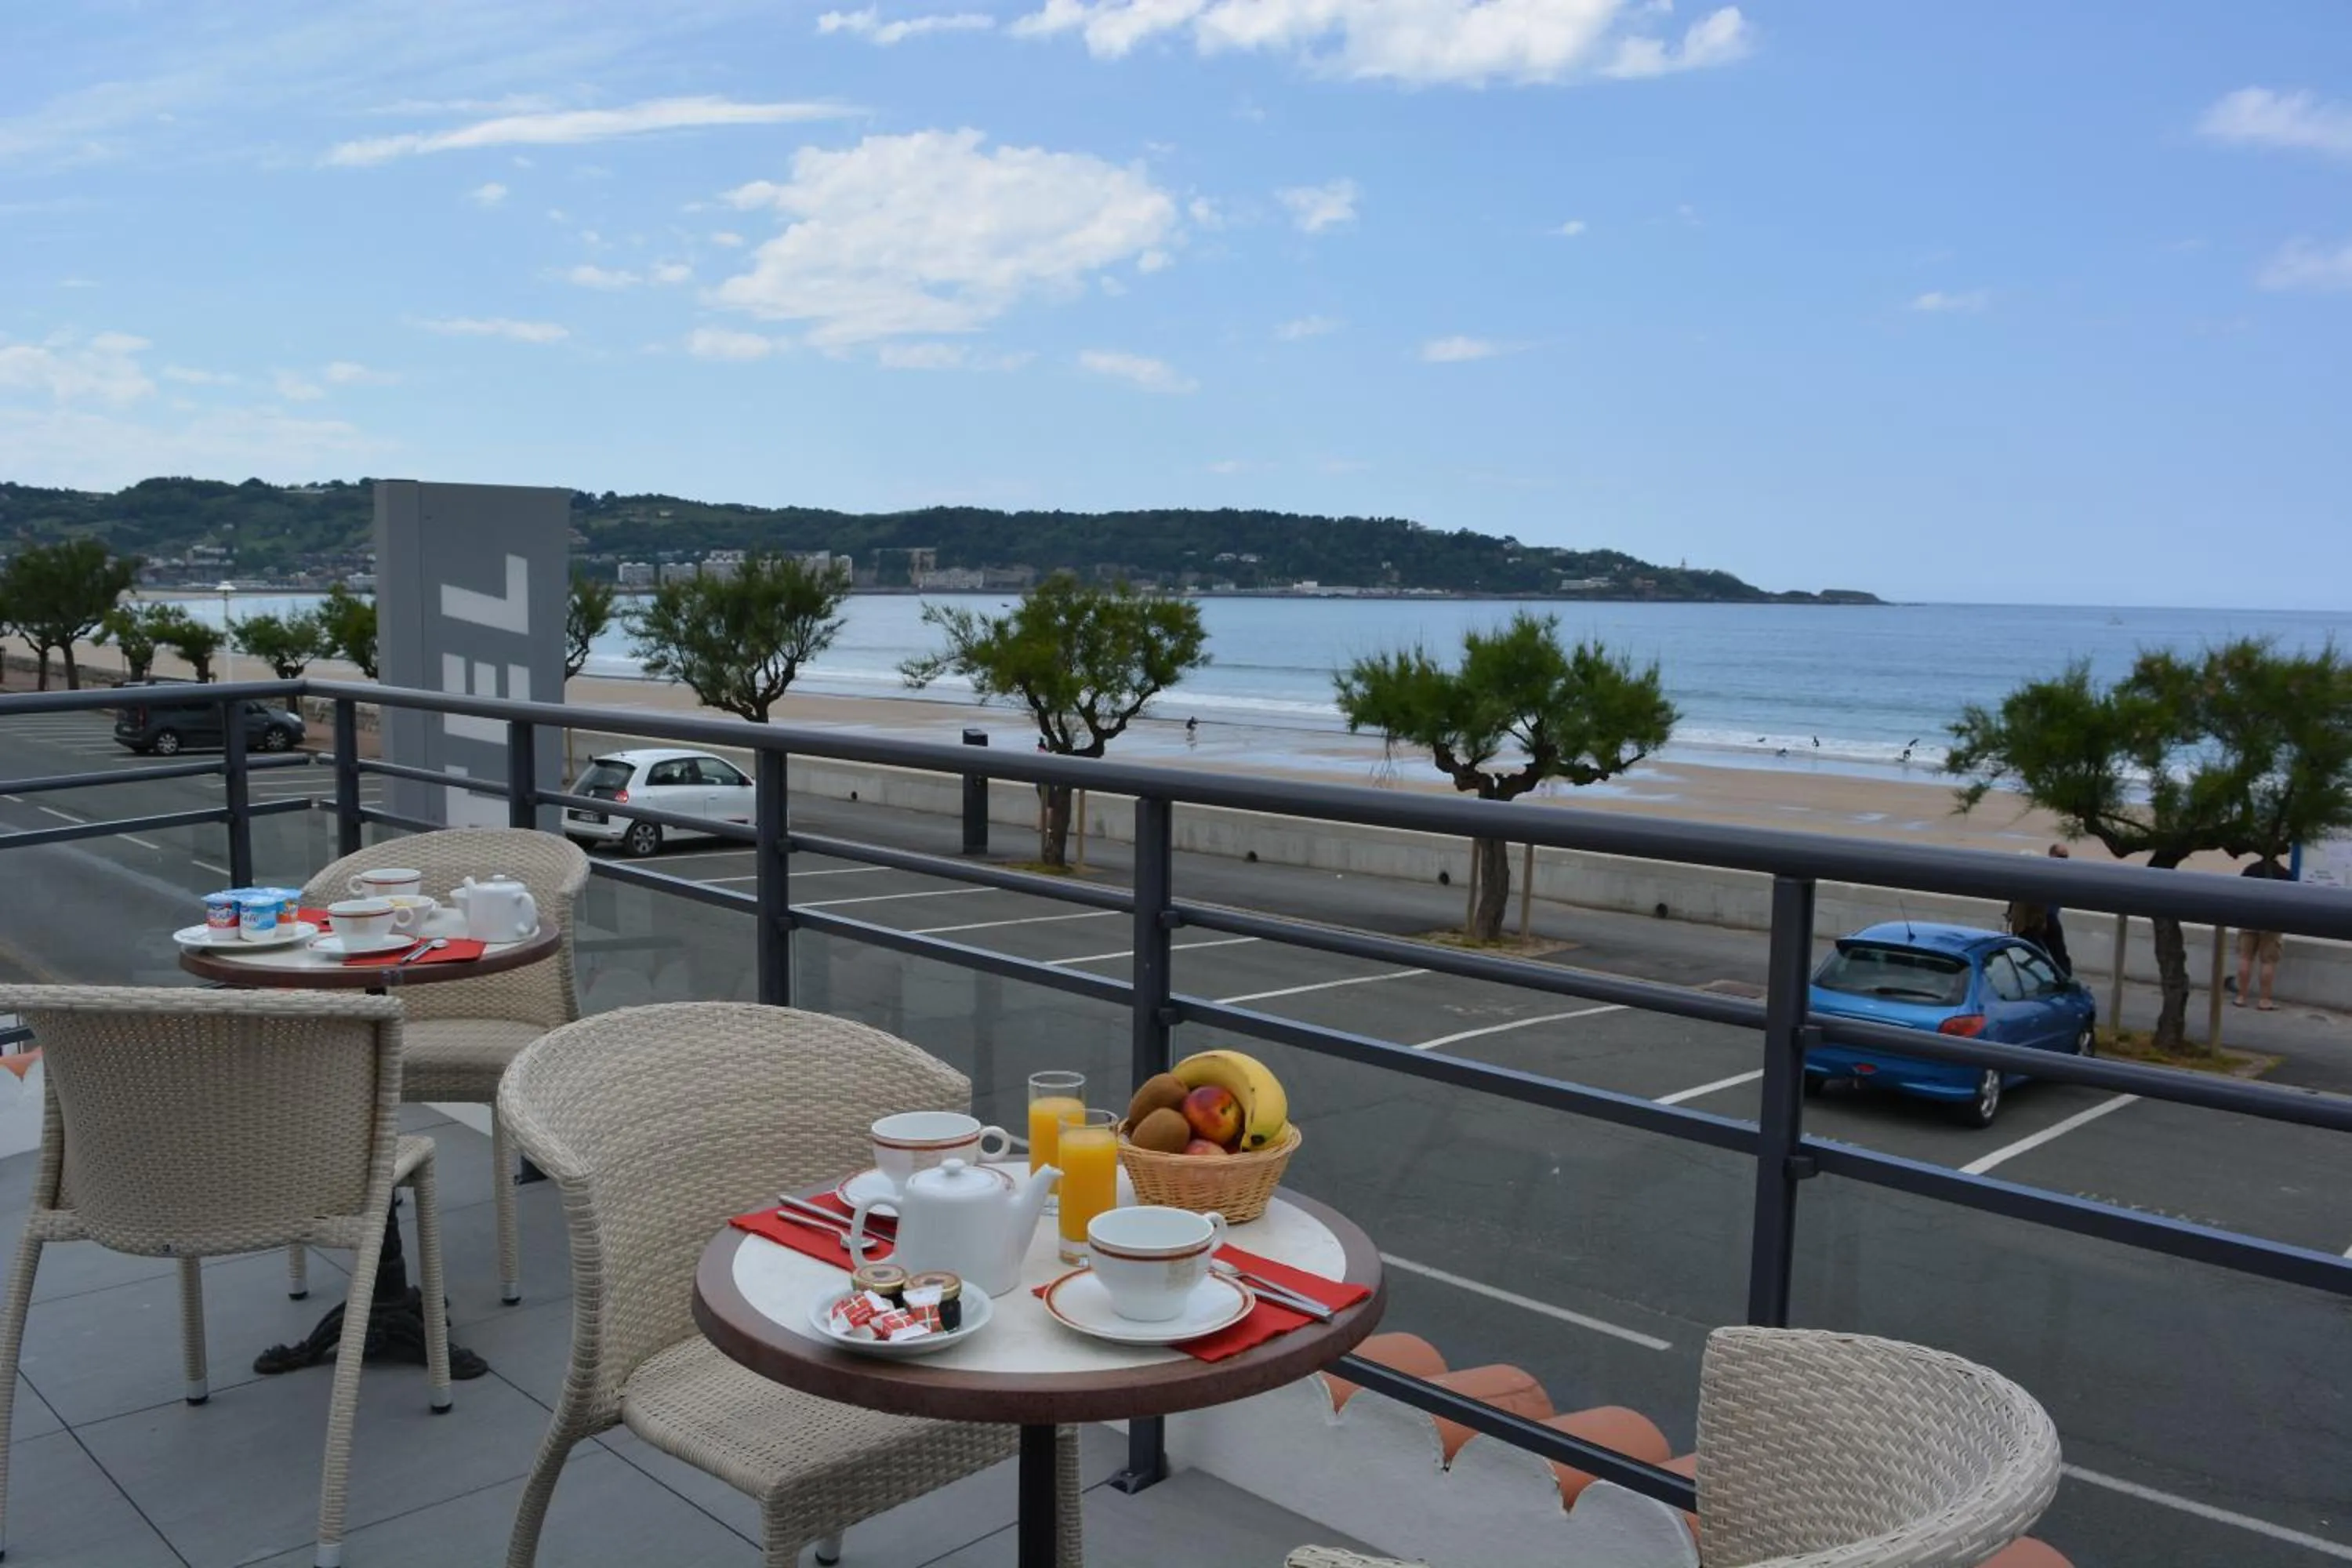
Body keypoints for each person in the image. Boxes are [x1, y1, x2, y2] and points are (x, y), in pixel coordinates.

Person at [2234, 855, 2289, 1011]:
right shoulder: (2284, 874)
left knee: (2245, 958)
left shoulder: (2251, 869)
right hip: (2272, 921)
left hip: (2248, 919)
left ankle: (2241, 997)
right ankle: (2264, 1000)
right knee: (2268, 962)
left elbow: (2239, 891)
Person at [2040, 843, 2074, 975]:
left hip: (2051, 917)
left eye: (2066, 857)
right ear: (2052, 855)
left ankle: (2065, 978)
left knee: (2059, 954)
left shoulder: (2062, 873)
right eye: (2061, 856)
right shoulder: (2045, 873)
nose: (2064, 860)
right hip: (2041, 918)